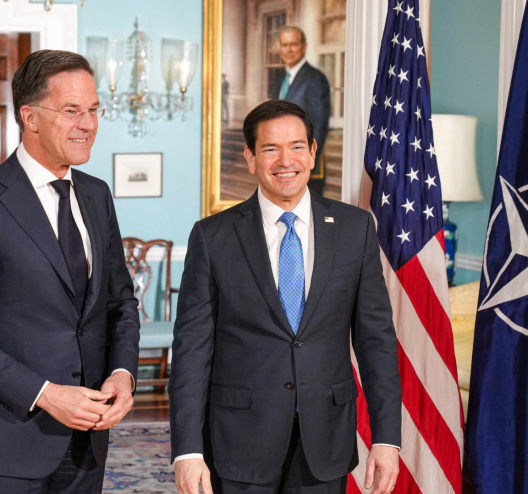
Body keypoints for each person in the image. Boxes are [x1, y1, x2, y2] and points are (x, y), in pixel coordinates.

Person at [0, 50, 140, 493]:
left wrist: (123, 375)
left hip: (89, 438)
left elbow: (120, 302)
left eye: (92, 110)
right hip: (9, 438)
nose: (87, 124)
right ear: (30, 117)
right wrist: (46, 393)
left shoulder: (97, 196)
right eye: (71, 111)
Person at [169, 100, 401, 494]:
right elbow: (192, 350)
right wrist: (187, 451)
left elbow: (375, 341)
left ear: (313, 153)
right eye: (270, 149)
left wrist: (386, 438)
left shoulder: (355, 228)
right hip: (239, 440)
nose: (284, 160)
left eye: (296, 146)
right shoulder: (212, 236)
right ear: (250, 157)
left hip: (325, 440)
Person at [269, 26, 330, 195]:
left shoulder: (315, 79)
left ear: (303, 47)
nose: (288, 50)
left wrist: (308, 163)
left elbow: (318, 126)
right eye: (284, 45)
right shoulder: (280, 79)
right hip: (282, 166)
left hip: (305, 169)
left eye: (293, 44)